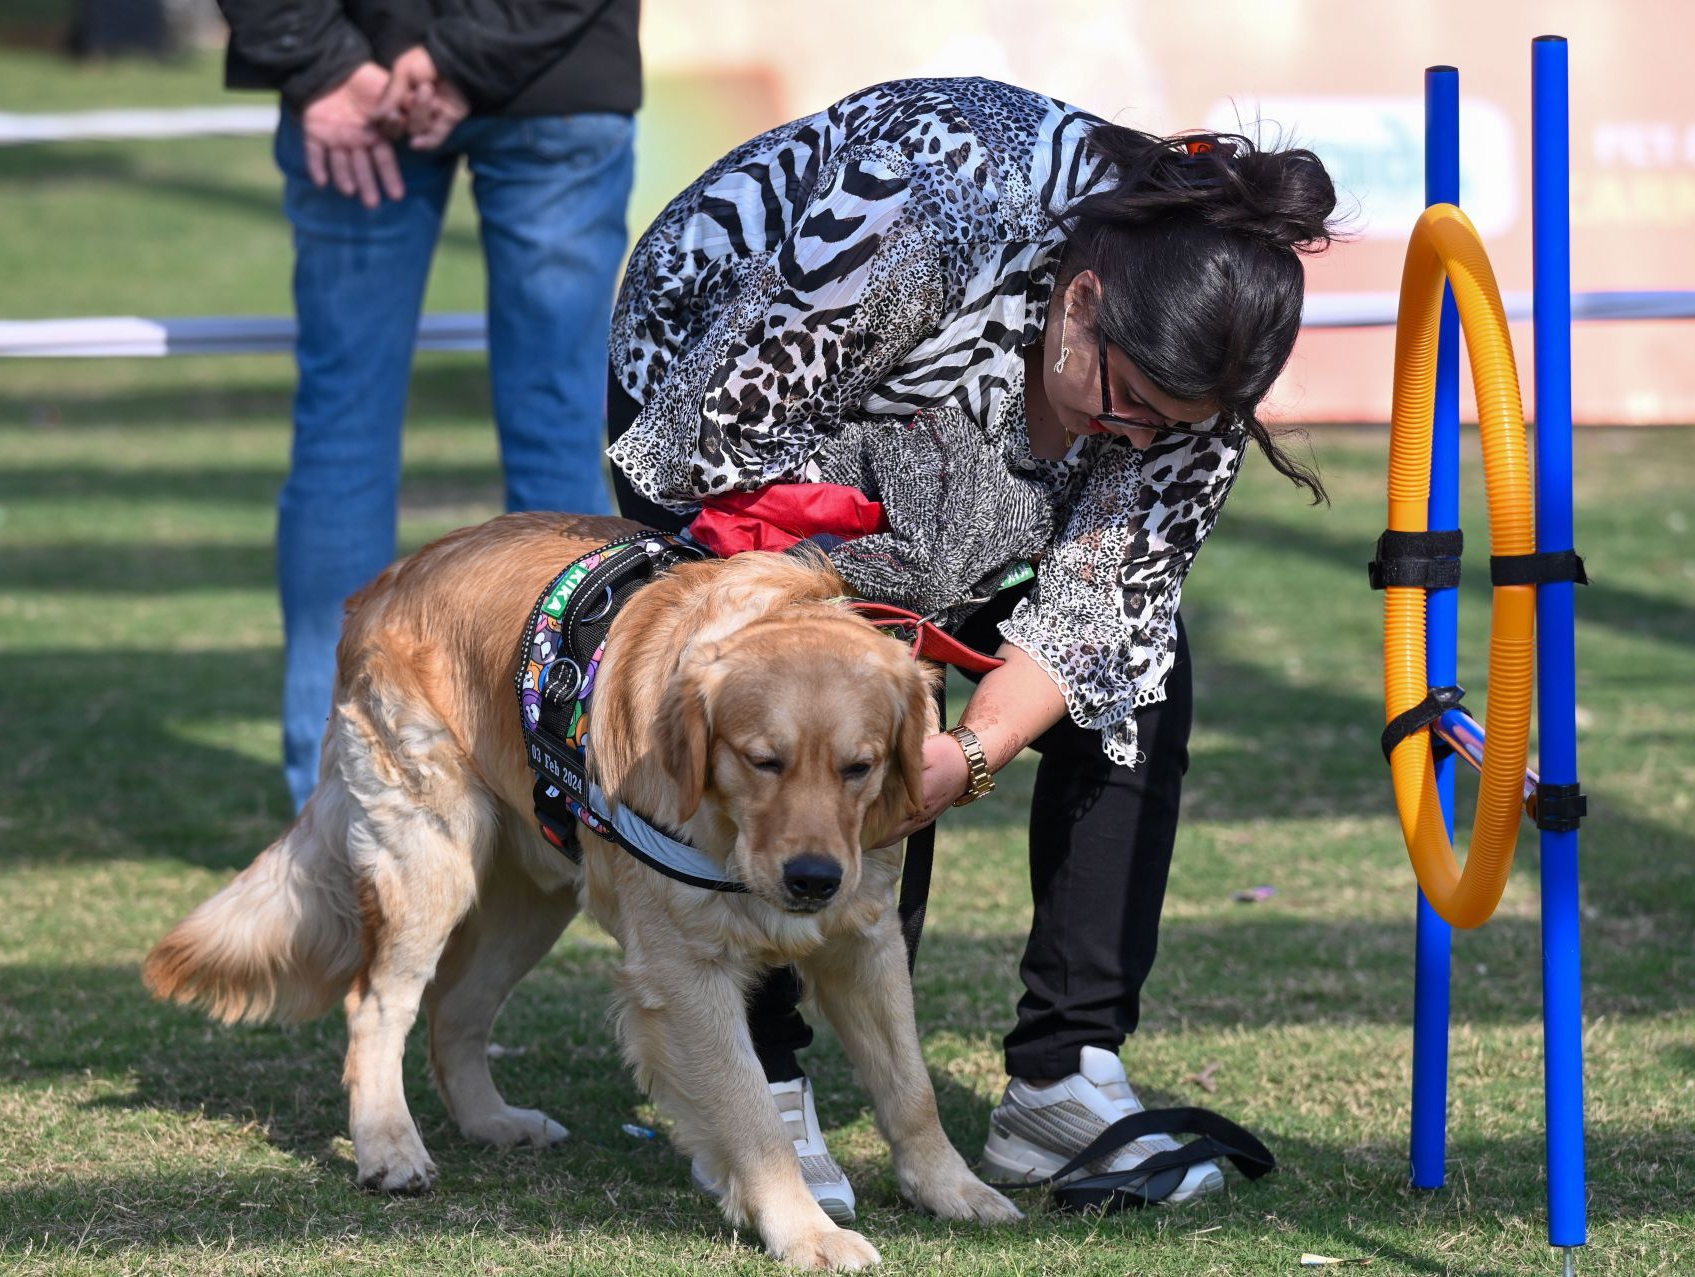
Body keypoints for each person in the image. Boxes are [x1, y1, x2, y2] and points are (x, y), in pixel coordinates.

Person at [604, 77, 1338, 1220]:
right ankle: (759, 1080)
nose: (1135, 439)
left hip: (957, 471)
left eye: (1171, 429)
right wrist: (900, 668)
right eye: (1128, 400)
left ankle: (1063, 1071)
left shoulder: (1193, 385)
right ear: (1081, 301)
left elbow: (1103, 609)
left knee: (1138, 675)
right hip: (721, 402)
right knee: (822, 692)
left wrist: (969, 754)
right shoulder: (932, 209)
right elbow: (723, 442)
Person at [216, 0, 642, 809]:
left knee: (342, 436)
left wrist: (321, 58)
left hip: (357, 64)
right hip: (554, 60)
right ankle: (576, 784)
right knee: (557, 439)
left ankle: (334, 798)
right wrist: (459, 53)